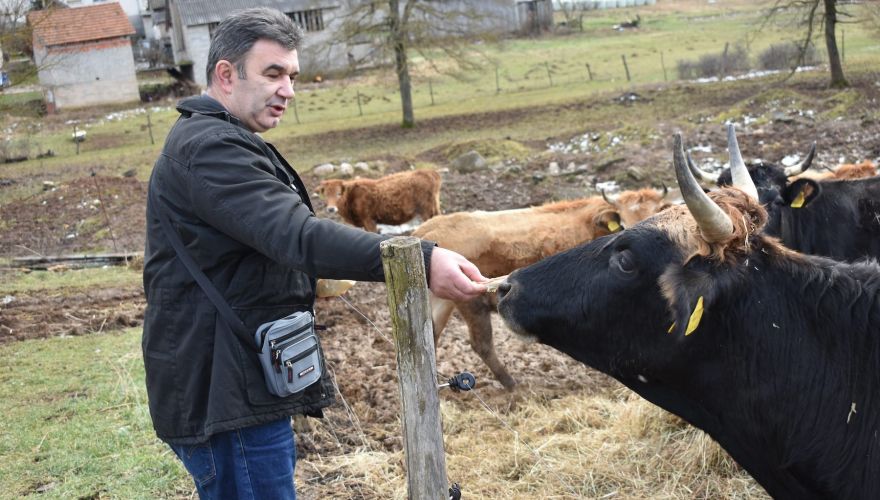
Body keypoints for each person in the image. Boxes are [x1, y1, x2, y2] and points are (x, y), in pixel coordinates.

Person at [141, 7, 487, 499]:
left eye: (293, 75)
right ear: (225, 74)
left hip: (229, 380)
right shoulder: (210, 149)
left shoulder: (219, 139)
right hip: (224, 391)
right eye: (273, 73)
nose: (289, 90)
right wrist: (419, 258)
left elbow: (260, 242)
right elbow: (296, 235)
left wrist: (300, 278)